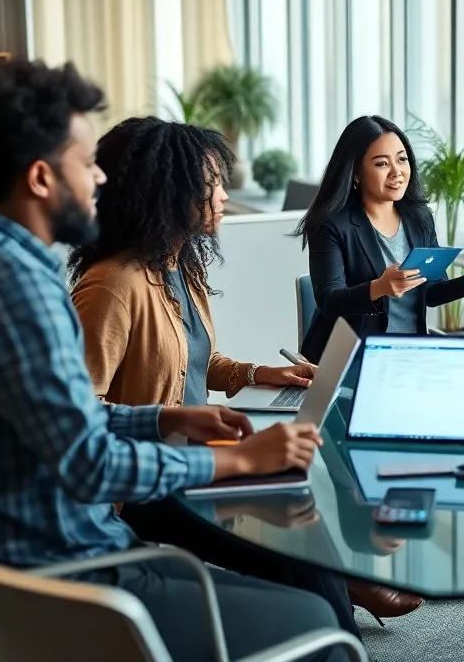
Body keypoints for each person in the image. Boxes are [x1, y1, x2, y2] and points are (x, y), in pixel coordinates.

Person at [0, 61, 350, 661]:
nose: (101, 178)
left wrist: (165, 420)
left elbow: (61, 420)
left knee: (294, 581)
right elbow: (88, 464)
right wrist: (238, 459)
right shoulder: (17, 290)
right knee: (317, 621)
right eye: (87, 164)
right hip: (74, 574)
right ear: (40, 177)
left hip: (19, 563)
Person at [66, 116, 400, 628]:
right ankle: (336, 617)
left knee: (300, 510)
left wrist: (259, 372)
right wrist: (172, 418)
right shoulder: (114, 285)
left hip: (198, 456)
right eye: (211, 184)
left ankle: (335, 601)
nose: (223, 194)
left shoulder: (177, 265)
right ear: (167, 193)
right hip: (147, 486)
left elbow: (197, 362)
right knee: (298, 533)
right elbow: (77, 414)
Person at [295, 115, 464, 362]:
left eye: (402, 160)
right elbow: (329, 300)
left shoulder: (419, 217)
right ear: (356, 172)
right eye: (382, 164)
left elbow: (433, 293)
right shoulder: (331, 225)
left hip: (409, 356)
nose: (397, 172)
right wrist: (379, 287)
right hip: (351, 360)